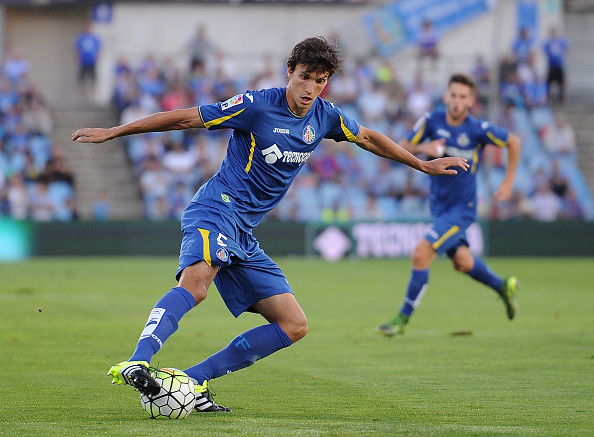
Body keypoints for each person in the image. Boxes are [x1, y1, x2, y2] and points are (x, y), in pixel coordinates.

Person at [72, 36, 468, 411]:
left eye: (320, 80)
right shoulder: (256, 106)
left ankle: (191, 382)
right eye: (304, 77)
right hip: (216, 209)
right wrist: (115, 131)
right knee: (196, 285)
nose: (311, 88)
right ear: (289, 72)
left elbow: (368, 138)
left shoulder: (325, 116)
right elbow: (184, 119)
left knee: (294, 324)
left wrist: (420, 164)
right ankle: (137, 361)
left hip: (244, 232)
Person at [377, 73, 521, 336]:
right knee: (463, 263)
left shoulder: (478, 129)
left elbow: (514, 141)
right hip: (439, 208)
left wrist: (508, 182)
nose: (457, 101)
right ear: (446, 96)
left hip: (462, 210)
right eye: (453, 95)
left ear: (471, 101)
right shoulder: (432, 120)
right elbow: (402, 145)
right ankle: (503, 286)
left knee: (422, 252)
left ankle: (402, 320)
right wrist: (426, 147)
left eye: (463, 97)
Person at [74, 20, 101, 99]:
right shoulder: (80, 38)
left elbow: (99, 49)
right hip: (83, 62)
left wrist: (97, 58)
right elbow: (76, 49)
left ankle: (94, 96)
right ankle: (81, 96)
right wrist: (77, 60)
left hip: (92, 62)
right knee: (81, 79)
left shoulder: (95, 38)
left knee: (93, 80)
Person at [543, 27, 569, 104]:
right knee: (549, 82)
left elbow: (568, 47)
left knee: (561, 82)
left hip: (559, 65)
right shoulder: (548, 42)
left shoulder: (561, 41)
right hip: (551, 66)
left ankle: (561, 99)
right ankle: (549, 98)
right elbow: (545, 50)